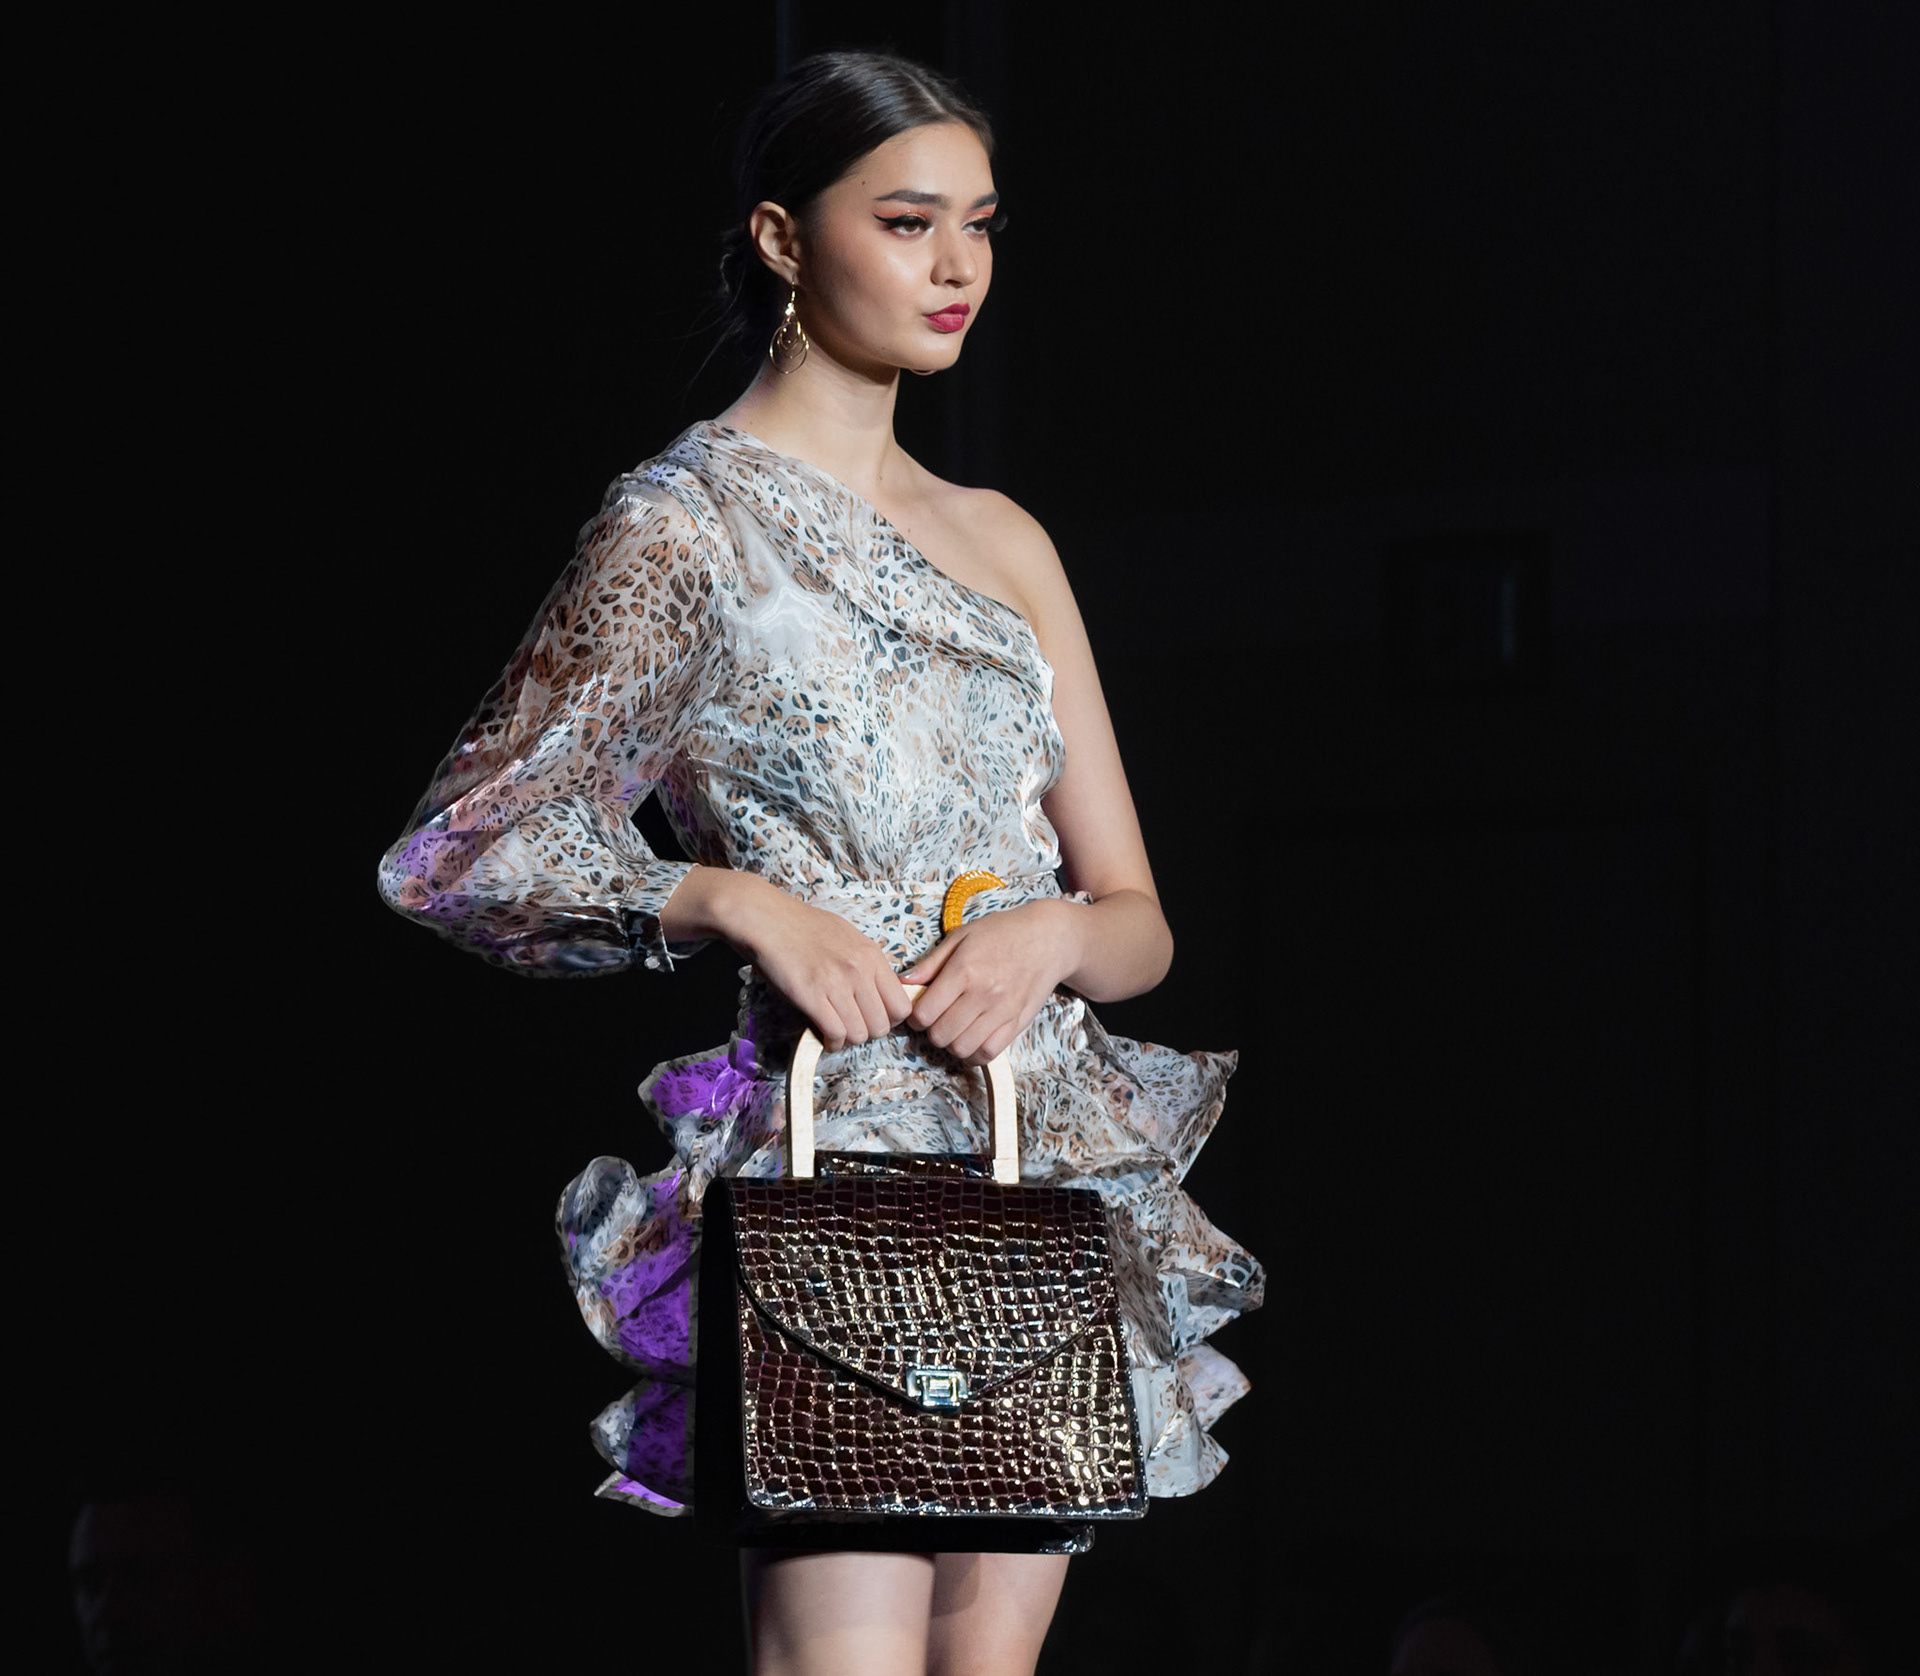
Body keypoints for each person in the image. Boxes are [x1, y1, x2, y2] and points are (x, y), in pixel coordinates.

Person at [376, 49, 1262, 1676]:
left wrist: (1052, 939)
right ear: (784, 238)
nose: (954, 266)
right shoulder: (685, 526)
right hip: (830, 1149)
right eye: (907, 221)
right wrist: (730, 899)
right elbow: (460, 849)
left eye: (979, 224)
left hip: (1036, 1157)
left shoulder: (1004, 537)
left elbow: (1139, 922)